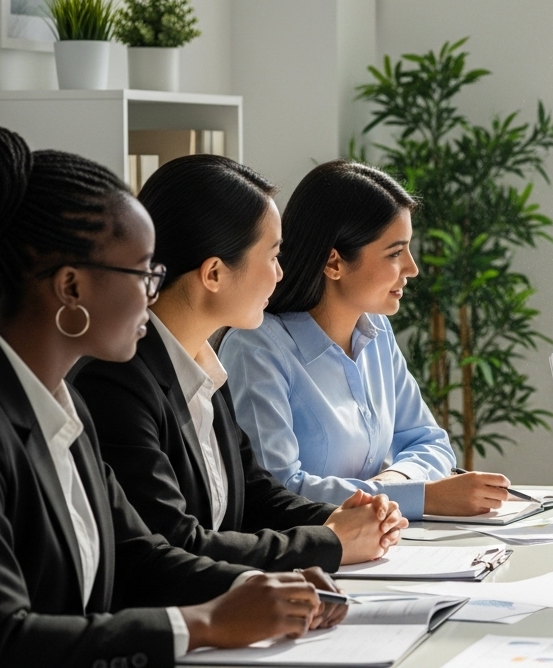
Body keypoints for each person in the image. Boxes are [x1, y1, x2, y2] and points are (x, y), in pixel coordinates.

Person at [0, 126, 347, 666]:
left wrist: (266, 588)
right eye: (144, 272)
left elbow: (137, 554)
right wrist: (205, 624)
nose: (154, 292)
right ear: (72, 287)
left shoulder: (62, 404)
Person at [72, 156, 406, 573]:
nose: (281, 275)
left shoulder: (203, 366)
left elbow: (255, 493)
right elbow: (178, 543)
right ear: (214, 273)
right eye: (271, 257)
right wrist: (330, 542)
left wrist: (343, 520)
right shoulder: (117, 384)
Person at [220, 160, 511, 519]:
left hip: (381, 542)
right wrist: (421, 497)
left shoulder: (376, 333)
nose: (412, 268)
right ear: (334, 263)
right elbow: (279, 490)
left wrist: (394, 485)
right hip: (305, 557)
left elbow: (429, 441)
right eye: (394, 253)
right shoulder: (256, 348)